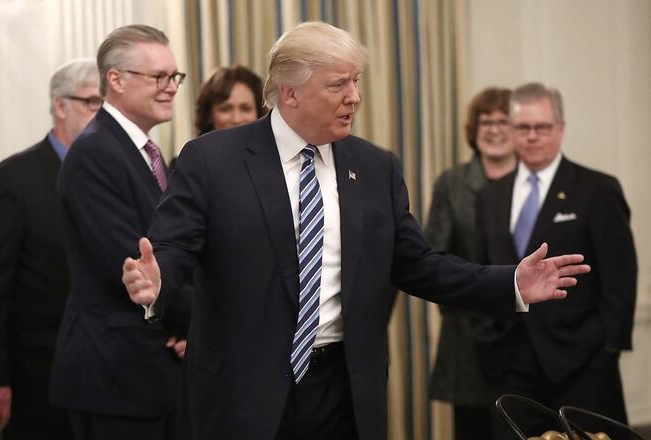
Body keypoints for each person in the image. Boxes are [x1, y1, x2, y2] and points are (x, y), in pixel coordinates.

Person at [122, 22, 590, 440]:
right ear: (290, 93)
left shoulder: (374, 167)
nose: (355, 97)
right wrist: (157, 279)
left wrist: (507, 282)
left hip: (343, 389)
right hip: (242, 389)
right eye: (338, 84)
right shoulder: (213, 159)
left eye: (357, 81)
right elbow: (175, 245)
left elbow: (417, 264)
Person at [48, 25, 192, 440]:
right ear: (116, 79)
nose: (170, 88)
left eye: (174, 78)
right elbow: (135, 266)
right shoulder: (96, 152)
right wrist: (202, 326)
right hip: (114, 377)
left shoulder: (141, 149)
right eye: (159, 77)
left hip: (148, 372)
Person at [476, 82, 637, 437]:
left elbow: (621, 279)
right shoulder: (490, 196)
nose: (532, 136)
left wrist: (607, 349)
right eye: (523, 128)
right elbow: (482, 270)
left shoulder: (597, 189)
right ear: (512, 131)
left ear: (560, 129)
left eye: (542, 127)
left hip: (582, 364)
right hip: (508, 364)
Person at [0, 59, 100, 440]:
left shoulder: (112, 175)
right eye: (93, 103)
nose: (103, 115)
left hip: (108, 374)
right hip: (37, 381)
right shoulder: (12, 182)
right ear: (61, 106)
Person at [425, 87, 515, 439]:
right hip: (467, 337)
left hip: (529, 335)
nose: (493, 129)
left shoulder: (536, 180)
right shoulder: (452, 183)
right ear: (473, 129)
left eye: (503, 121)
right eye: (485, 121)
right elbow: (433, 256)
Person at [194, 65, 266, 135]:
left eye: (246, 109)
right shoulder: (194, 146)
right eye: (225, 109)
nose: (236, 120)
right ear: (209, 115)